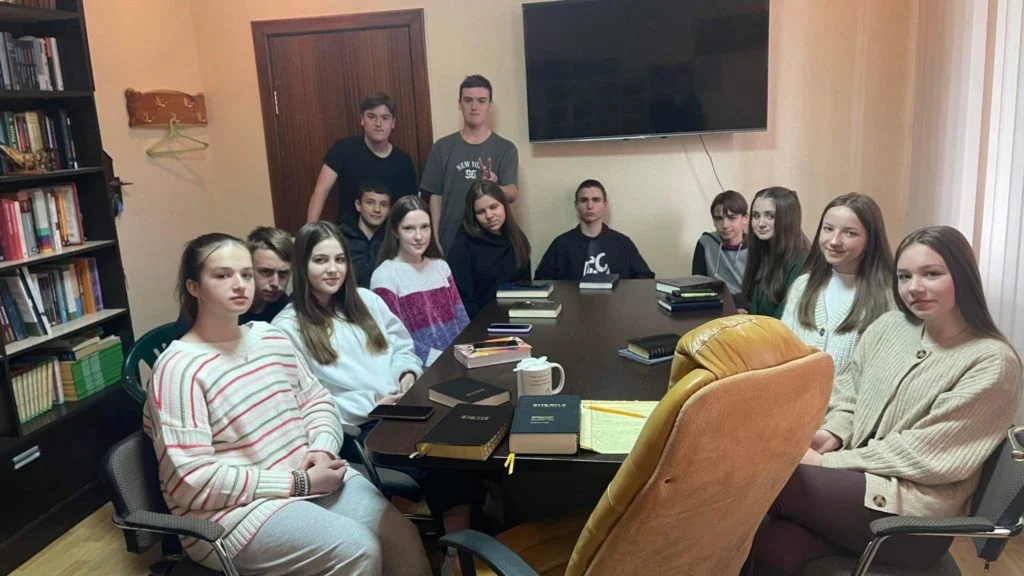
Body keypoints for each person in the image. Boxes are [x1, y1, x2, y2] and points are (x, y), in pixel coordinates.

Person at [144, 232, 430, 576]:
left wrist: (323, 449)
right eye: (222, 276)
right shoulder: (179, 369)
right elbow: (193, 480)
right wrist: (300, 483)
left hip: (309, 477)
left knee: (402, 537)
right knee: (356, 549)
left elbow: (318, 402)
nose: (240, 285)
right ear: (194, 287)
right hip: (235, 515)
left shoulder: (269, 338)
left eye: (246, 274)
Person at [746, 225, 1022, 575]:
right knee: (771, 545)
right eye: (904, 276)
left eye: (932, 274)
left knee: (769, 476)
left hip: (913, 520)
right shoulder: (890, 326)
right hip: (858, 488)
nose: (914, 288)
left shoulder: (991, 361)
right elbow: (850, 392)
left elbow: (926, 455)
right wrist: (832, 434)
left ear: (964, 276)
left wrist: (827, 462)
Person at [272, 221, 479, 550]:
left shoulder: (366, 301)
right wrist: (376, 402)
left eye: (339, 260)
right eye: (320, 260)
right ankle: (455, 555)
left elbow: (402, 349)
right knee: (445, 467)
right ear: (301, 265)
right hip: (361, 428)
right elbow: (306, 404)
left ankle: (459, 552)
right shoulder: (287, 328)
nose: (332, 269)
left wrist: (406, 376)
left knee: (465, 448)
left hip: (406, 407)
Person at [781, 193, 893, 375]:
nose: (834, 241)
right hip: (794, 398)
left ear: (869, 241)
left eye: (849, 233)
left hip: (847, 403)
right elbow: (783, 348)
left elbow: (881, 373)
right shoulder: (803, 286)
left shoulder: (886, 297)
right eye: (828, 229)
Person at [421, 75, 519, 253]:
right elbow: (435, 196)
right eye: (468, 100)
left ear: (490, 105)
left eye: (481, 101)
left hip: (490, 243)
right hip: (449, 242)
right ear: (459, 104)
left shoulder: (505, 148)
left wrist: (494, 186)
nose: (474, 107)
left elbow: (512, 193)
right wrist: (435, 239)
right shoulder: (442, 147)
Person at [371, 195, 469, 366]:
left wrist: (467, 355)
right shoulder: (384, 276)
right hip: (417, 369)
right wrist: (439, 360)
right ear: (395, 232)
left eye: (425, 227)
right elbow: (393, 338)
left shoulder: (441, 267)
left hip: (457, 362)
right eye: (409, 228)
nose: (419, 236)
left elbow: (462, 321)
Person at [307, 92, 416, 225]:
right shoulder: (343, 149)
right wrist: (309, 234)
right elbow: (321, 191)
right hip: (348, 235)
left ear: (393, 123)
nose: (378, 123)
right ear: (362, 119)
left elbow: (409, 206)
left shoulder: (403, 161)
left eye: (385, 118)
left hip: (388, 238)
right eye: (372, 117)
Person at [171, 226, 292, 338]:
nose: (275, 283)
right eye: (266, 272)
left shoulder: (282, 304)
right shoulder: (211, 311)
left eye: (283, 273)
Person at [534, 179, 654, 281]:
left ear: (605, 204)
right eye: (584, 200)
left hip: (615, 307)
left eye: (596, 200)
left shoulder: (623, 243)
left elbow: (645, 278)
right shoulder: (560, 244)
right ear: (576, 205)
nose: (590, 206)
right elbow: (541, 282)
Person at [448, 180, 531, 318]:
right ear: (473, 215)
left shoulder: (517, 238)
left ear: (504, 205)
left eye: (493, 207)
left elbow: (526, 286)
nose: (489, 216)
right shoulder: (462, 247)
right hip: (479, 323)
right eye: (481, 212)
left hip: (518, 319)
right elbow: (464, 302)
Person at [741, 186, 809, 318]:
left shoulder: (802, 262)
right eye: (756, 216)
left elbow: (784, 321)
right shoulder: (763, 250)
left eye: (770, 216)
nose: (761, 223)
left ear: (788, 219)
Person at [692, 189, 748, 307]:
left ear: (745, 218)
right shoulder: (705, 243)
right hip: (714, 306)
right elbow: (697, 286)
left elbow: (760, 293)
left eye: (732, 218)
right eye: (718, 218)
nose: (724, 225)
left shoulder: (757, 247)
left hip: (747, 308)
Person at [340, 182, 392, 288]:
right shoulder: (341, 238)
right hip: (349, 301)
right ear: (358, 205)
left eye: (383, 205)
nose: (377, 210)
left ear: (389, 210)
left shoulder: (393, 241)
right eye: (370, 202)